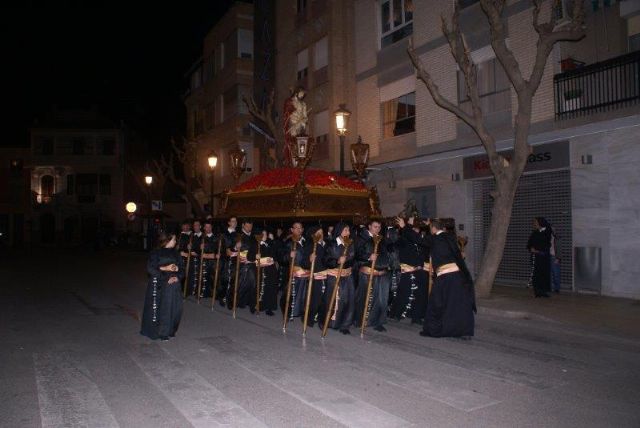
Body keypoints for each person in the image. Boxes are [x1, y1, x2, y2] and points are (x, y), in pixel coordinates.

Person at [420, 218, 476, 338]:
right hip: (457, 276)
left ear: (433, 228)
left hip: (444, 277)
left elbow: (420, 241)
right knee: (457, 303)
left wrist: (406, 227)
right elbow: (458, 256)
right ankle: (463, 331)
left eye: (430, 229)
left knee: (436, 302)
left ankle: (434, 330)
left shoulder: (435, 238)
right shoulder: (450, 237)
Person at [140, 232, 184, 341]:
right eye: (173, 239)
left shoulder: (176, 253)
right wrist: (166, 269)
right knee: (164, 308)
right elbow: (150, 268)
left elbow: (182, 268)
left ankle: (171, 330)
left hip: (174, 284)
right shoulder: (156, 253)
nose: (175, 241)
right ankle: (162, 332)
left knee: (175, 308)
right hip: (160, 283)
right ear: (167, 240)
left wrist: (177, 276)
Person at [389, 216, 430, 324]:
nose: (415, 231)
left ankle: (417, 316)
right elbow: (396, 243)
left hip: (420, 269)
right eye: (413, 229)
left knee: (420, 294)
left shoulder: (421, 239)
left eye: (417, 229)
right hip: (407, 270)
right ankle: (397, 313)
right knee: (403, 292)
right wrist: (407, 227)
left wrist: (428, 226)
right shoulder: (404, 238)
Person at [355, 218, 392, 332]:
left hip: (383, 272)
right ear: (369, 227)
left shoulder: (381, 239)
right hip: (368, 272)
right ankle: (361, 320)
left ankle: (378, 321)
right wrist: (368, 256)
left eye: (379, 227)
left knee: (382, 299)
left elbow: (389, 249)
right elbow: (357, 253)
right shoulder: (362, 238)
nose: (378, 229)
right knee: (365, 297)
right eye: (375, 226)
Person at [321, 222, 356, 334]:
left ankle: (344, 325)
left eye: (349, 230)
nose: (348, 233)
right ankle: (327, 322)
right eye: (345, 230)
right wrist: (336, 261)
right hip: (334, 275)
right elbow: (325, 260)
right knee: (331, 300)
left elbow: (354, 258)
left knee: (348, 300)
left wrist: (348, 261)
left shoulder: (350, 244)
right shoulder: (331, 244)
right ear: (339, 231)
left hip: (347, 275)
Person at [527, 217, 552, 298]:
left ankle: (544, 291)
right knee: (536, 274)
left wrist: (539, 251)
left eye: (536, 222)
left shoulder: (547, 232)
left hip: (543, 257)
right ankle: (537, 291)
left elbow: (548, 244)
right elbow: (529, 244)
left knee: (544, 273)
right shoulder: (534, 233)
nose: (534, 224)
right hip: (535, 257)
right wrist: (531, 248)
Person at [256, 228, 279, 316]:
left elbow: (275, 254)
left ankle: (269, 307)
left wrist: (273, 240)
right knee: (262, 288)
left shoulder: (270, 244)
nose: (264, 236)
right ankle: (260, 305)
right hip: (261, 270)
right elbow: (250, 256)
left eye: (266, 234)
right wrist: (256, 256)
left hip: (271, 269)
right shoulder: (257, 245)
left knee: (271, 288)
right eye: (263, 234)